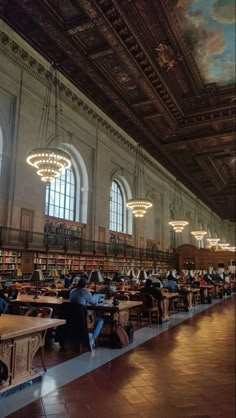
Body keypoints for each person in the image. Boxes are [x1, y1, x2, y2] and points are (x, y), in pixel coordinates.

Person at [69, 277, 104, 351]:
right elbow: (93, 303)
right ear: (86, 285)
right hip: (82, 318)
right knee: (100, 320)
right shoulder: (84, 291)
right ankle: (92, 339)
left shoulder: (72, 291)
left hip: (72, 317)